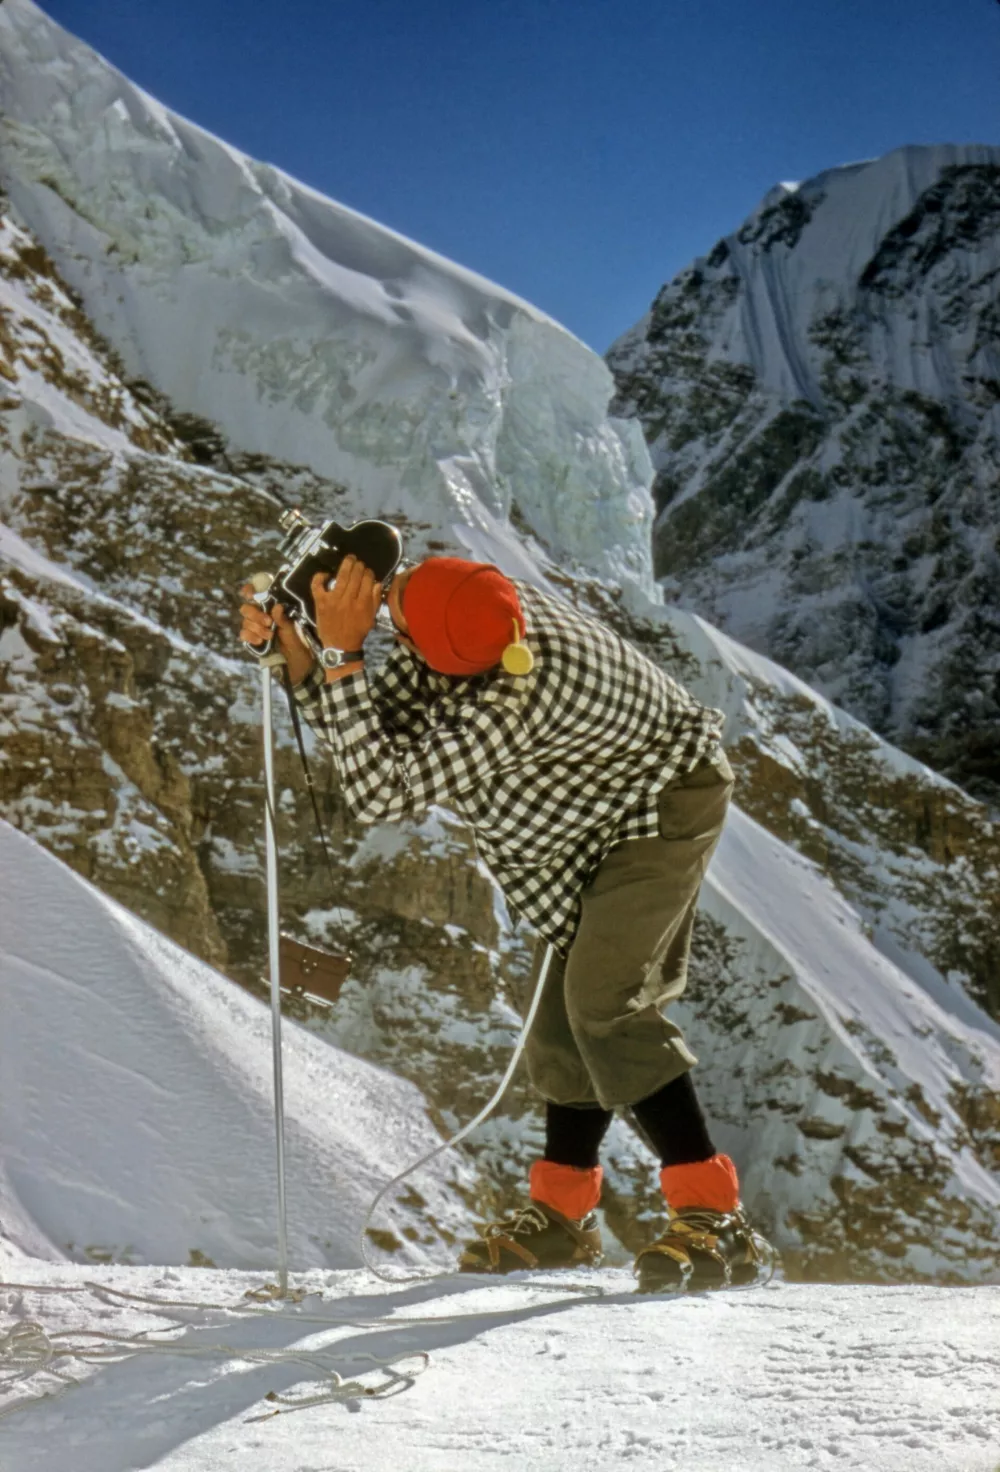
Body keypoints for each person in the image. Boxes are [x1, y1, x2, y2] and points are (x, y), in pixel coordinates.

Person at [238, 553, 774, 1291]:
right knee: (561, 1025)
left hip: (660, 808)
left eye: (398, 612)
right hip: (595, 808)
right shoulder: (482, 614)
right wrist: (302, 658)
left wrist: (338, 653)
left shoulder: (509, 707)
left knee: (605, 1003)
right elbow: (378, 719)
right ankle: (563, 1219)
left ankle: (717, 1218)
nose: (391, 607)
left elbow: (380, 788)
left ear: (447, 660)